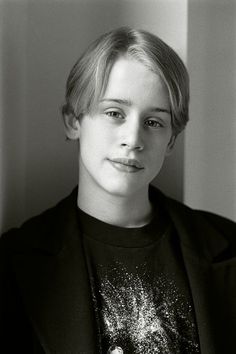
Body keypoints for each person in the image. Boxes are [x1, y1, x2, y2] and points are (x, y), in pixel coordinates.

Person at [0, 27, 235, 354]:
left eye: (154, 122)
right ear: (73, 121)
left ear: (171, 140)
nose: (133, 139)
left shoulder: (229, 246)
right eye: (114, 113)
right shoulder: (13, 263)